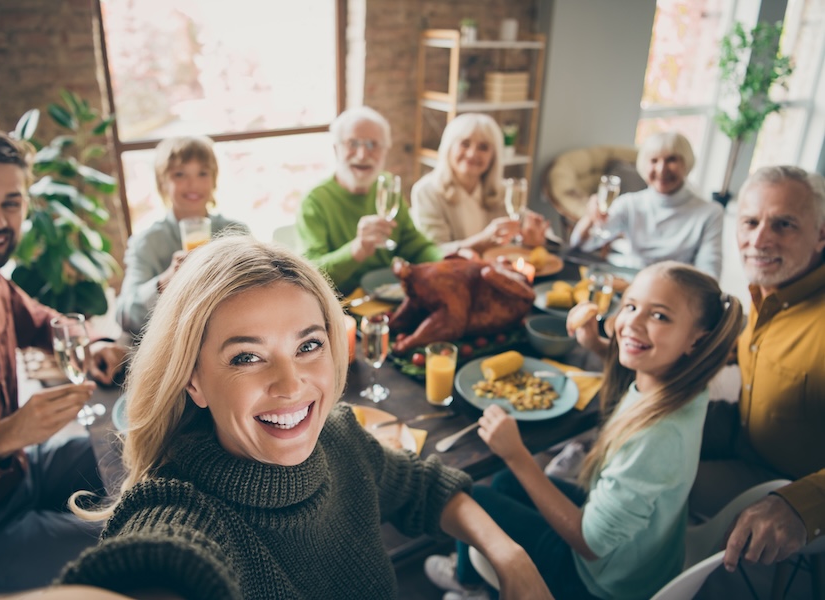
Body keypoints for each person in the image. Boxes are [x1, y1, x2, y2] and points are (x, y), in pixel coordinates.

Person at [58, 236, 552, 600]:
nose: (291, 384)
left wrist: (509, 555)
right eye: (246, 357)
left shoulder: (338, 438)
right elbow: (146, 574)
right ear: (193, 380)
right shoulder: (184, 511)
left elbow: (422, 486)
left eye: (308, 345)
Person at [426, 261, 743, 600]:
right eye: (632, 305)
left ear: (697, 340)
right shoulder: (685, 386)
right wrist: (597, 344)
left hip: (597, 582)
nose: (632, 322)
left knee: (471, 496)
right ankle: (474, 571)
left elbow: (590, 544)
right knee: (504, 481)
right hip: (643, 555)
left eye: (660, 316)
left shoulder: (658, 437)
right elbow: (641, 370)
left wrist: (517, 454)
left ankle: (469, 584)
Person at [0, 131, 128, 593]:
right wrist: (6, 436)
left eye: (11, 203)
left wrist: (94, 342)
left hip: (21, 472)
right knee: (142, 538)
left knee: (137, 444)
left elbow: (45, 321)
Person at [689, 166, 825, 574]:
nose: (759, 240)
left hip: (787, 479)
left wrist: (802, 505)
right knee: (634, 442)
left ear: (821, 234)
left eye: (783, 224)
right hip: (743, 434)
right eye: (750, 222)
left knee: (652, 485)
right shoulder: (769, 290)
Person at [296, 106, 443, 295]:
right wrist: (357, 249)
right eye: (353, 144)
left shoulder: (387, 186)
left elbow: (413, 244)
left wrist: (445, 261)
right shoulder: (315, 201)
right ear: (336, 149)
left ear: (385, 151)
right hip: (341, 306)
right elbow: (309, 275)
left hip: (387, 295)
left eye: (373, 145)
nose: (363, 155)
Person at [115, 135, 249, 338]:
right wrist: (164, 282)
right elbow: (125, 318)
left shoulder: (236, 232)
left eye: (202, 173)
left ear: (214, 180)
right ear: (163, 183)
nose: (193, 184)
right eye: (180, 174)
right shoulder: (147, 242)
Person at [569, 131, 724, 278]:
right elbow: (582, 244)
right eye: (654, 160)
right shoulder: (629, 204)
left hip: (677, 291)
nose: (662, 169)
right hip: (630, 284)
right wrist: (591, 217)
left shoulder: (710, 213)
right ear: (644, 165)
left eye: (671, 160)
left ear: (687, 163)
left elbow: (709, 275)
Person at [411, 113, 548, 255]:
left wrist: (535, 239)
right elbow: (434, 251)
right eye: (465, 144)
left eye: (483, 147)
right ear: (448, 147)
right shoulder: (427, 191)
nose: (472, 154)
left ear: (493, 156)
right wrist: (481, 242)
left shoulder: (504, 191)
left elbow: (536, 231)